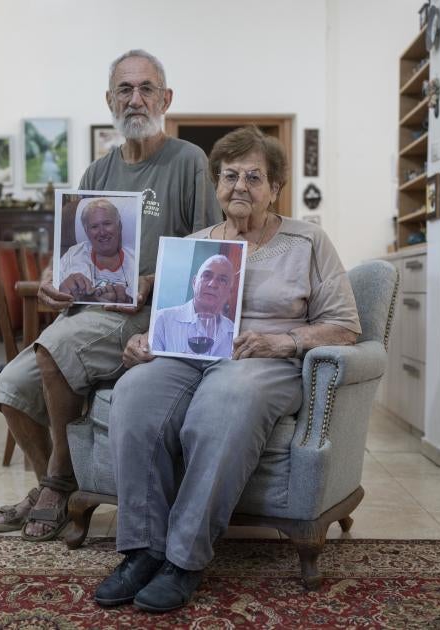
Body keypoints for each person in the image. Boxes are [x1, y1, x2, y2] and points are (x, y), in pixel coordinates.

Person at [94, 126, 362, 613]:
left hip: (264, 360)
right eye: (230, 175)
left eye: (254, 177)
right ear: (216, 183)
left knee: (224, 401)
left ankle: (184, 559)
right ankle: (143, 550)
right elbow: (168, 318)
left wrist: (285, 341)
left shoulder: (308, 241)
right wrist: (143, 342)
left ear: (275, 187)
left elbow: (345, 325)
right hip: (188, 356)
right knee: (134, 394)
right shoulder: (193, 244)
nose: (240, 186)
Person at [0, 49, 221, 540]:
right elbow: (72, 255)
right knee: (10, 387)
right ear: (109, 100)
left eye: (146, 88)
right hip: (91, 311)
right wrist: (53, 277)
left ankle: (56, 484)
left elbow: (209, 250)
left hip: (148, 313)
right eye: (124, 89)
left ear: (166, 98)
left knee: (55, 347)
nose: (135, 99)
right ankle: (56, 488)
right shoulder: (97, 173)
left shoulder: (189, 162)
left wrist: (151, 282)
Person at [151, 254, 235, 358]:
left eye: (222, 280)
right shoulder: (161, 320)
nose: (213, 284)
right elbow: (151, 364)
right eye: (207, 276)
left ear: (230, 293)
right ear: (194, 283)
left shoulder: (234, 332)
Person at [58, 197, 136, 304]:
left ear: (119, 226)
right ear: (86, 231)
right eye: (94, 226)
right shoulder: (74, 254)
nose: (102, 232)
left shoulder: (134, 259)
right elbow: (53, 289)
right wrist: (63, 289)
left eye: (107, 224)